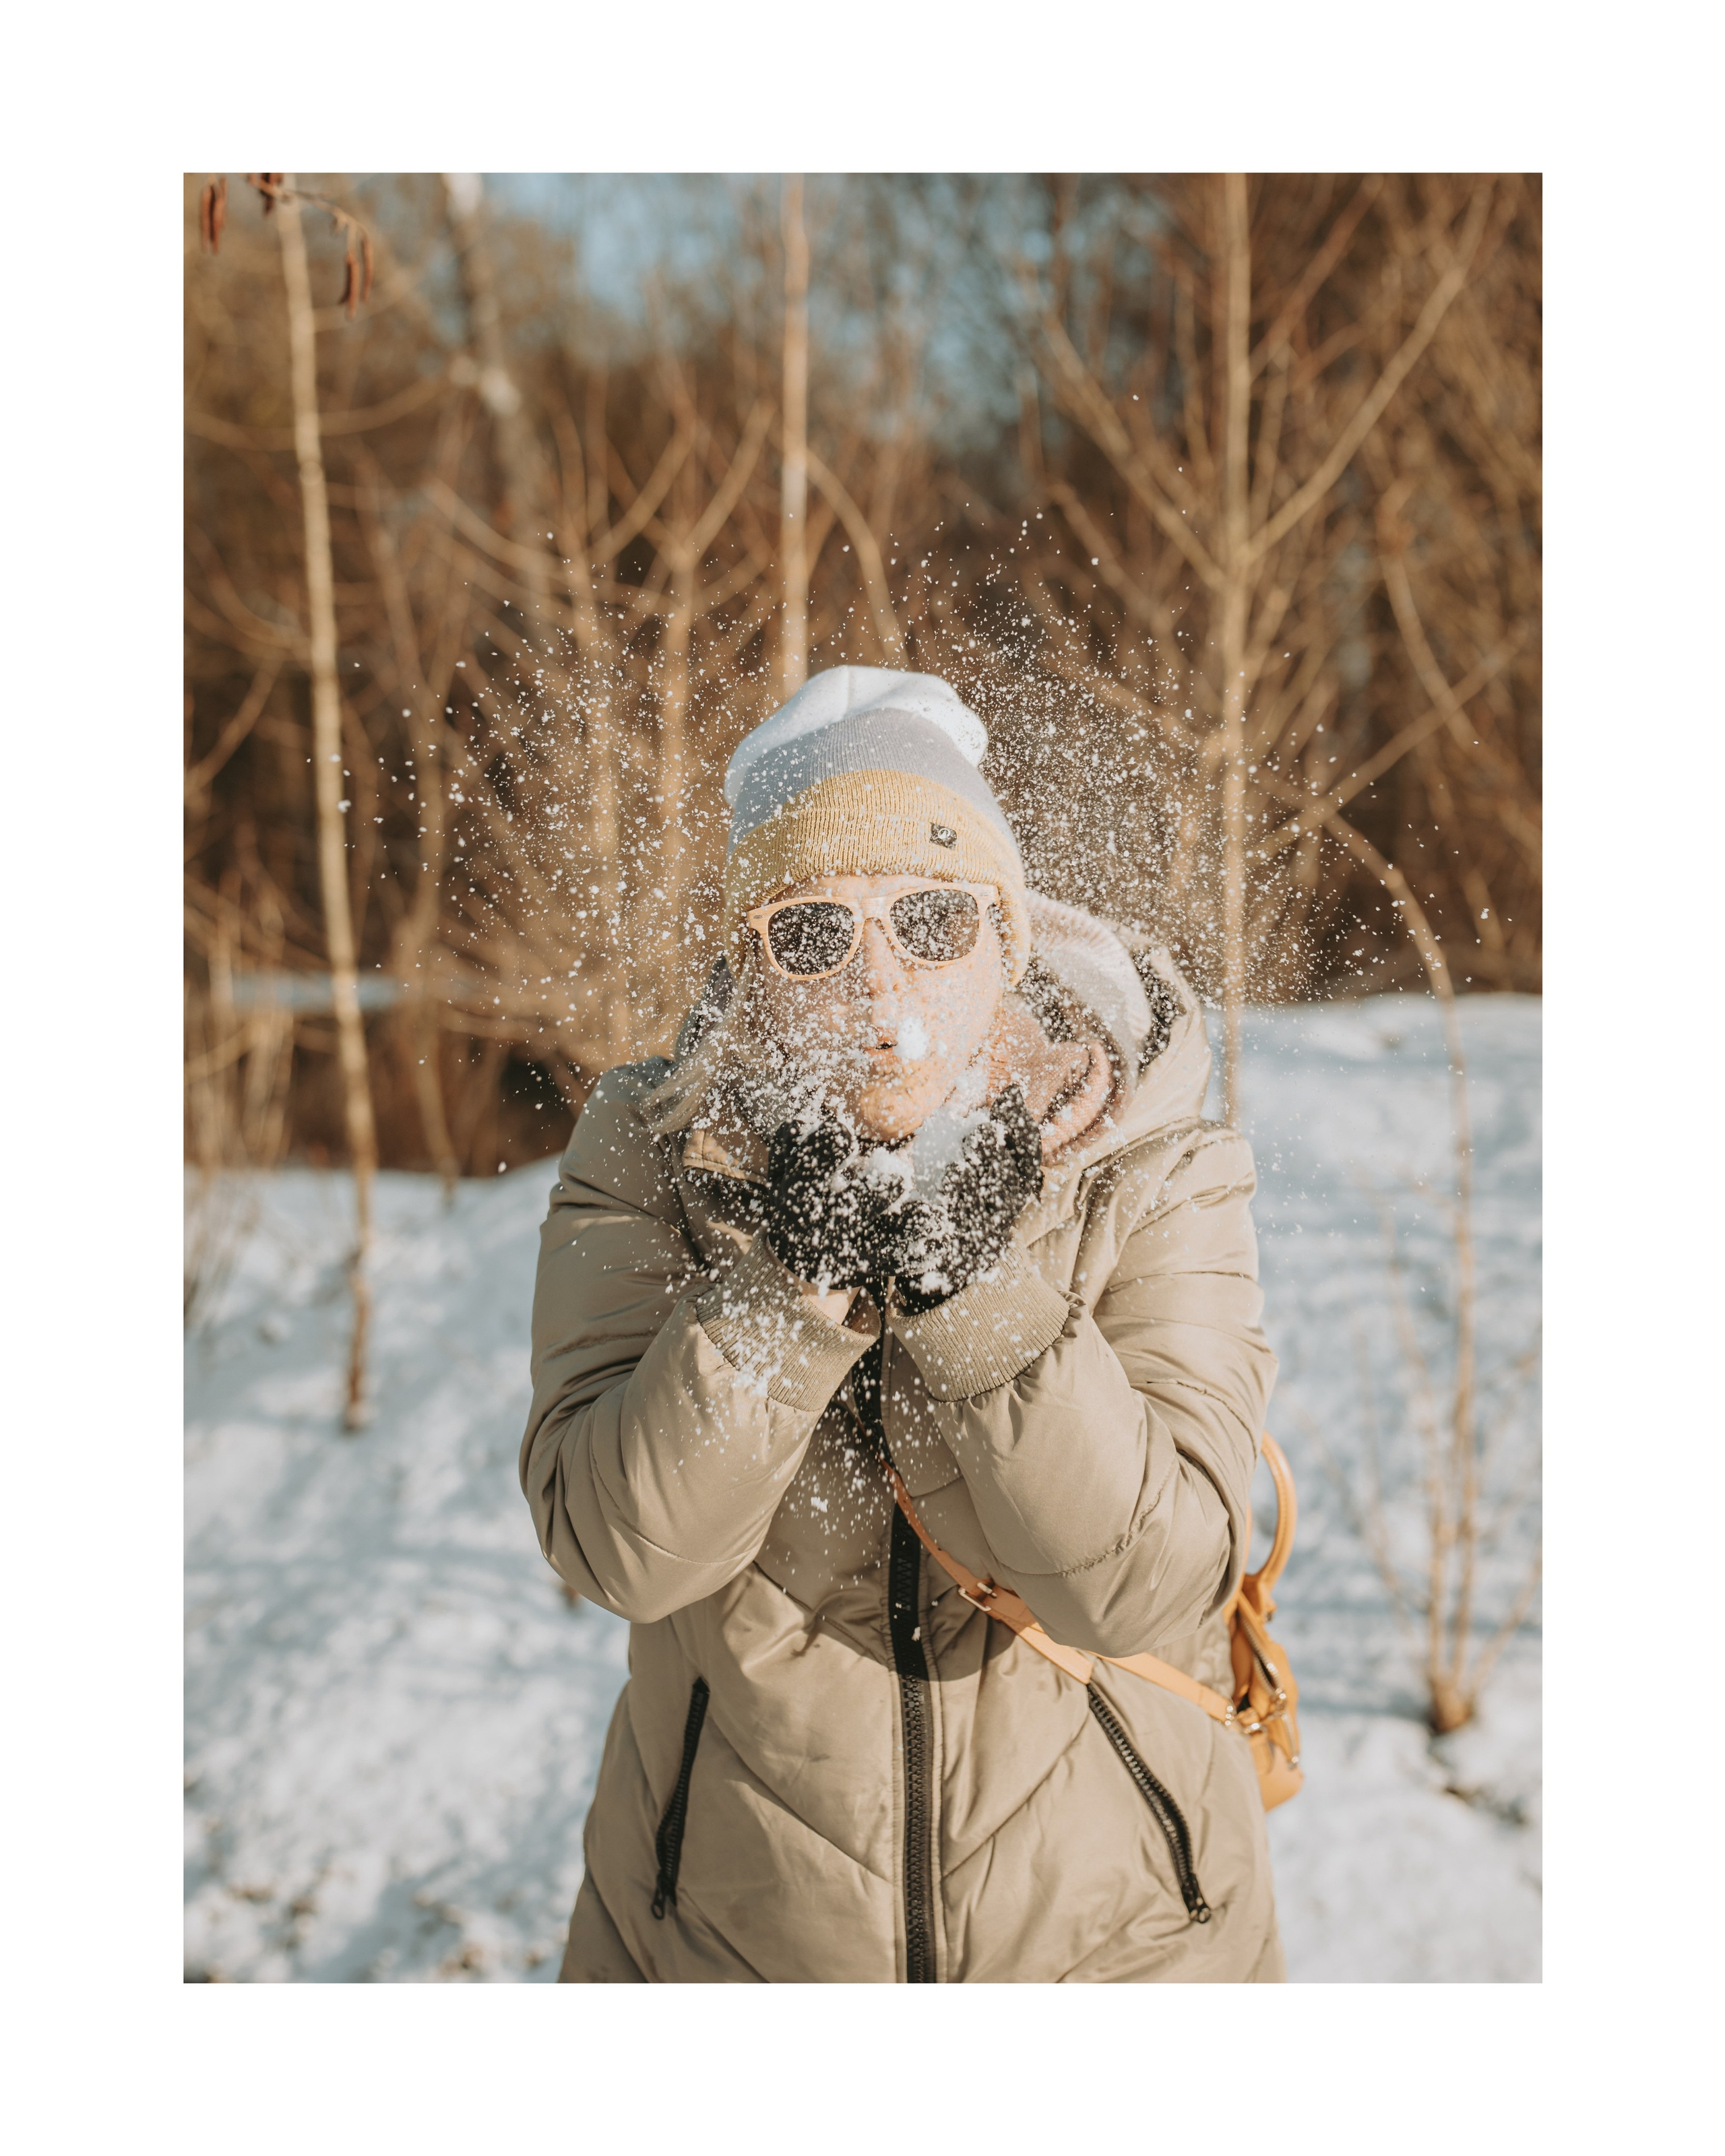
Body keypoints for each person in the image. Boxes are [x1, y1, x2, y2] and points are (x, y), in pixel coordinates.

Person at [522, 664, 1283, 1981]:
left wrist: (972, 1287)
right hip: (728, 1946)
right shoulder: (652, 1155)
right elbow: (617, 1549)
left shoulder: (1158, 1163)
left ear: (1006, 939)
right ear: (753, 972)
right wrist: (787, 1283)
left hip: (1124, 1947)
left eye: (931, 919)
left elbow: (1146, 1584)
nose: (883, 986)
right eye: (814, 933)